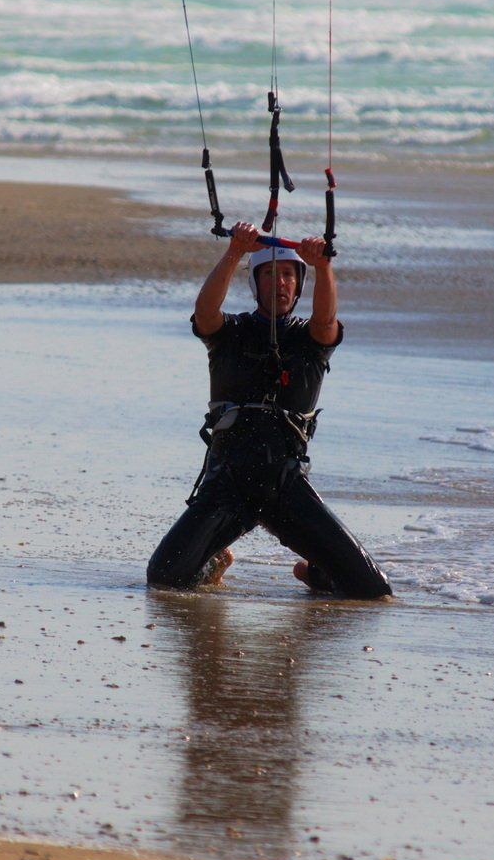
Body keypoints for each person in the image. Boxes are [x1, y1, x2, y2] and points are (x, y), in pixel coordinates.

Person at [147, 220, 392, 599]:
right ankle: (212, 561)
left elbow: (326, 320)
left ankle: (318, 573)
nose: (280, 283)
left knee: (373, 591)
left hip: (285, 486)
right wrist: (234, 252)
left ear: (299, 283)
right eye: (270, 275)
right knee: (164, 578)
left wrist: (323, 266)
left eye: (289, 275)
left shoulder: (312, 341)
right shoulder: (229, 334)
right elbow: (205, 312)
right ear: (255, 283)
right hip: (228, 483)